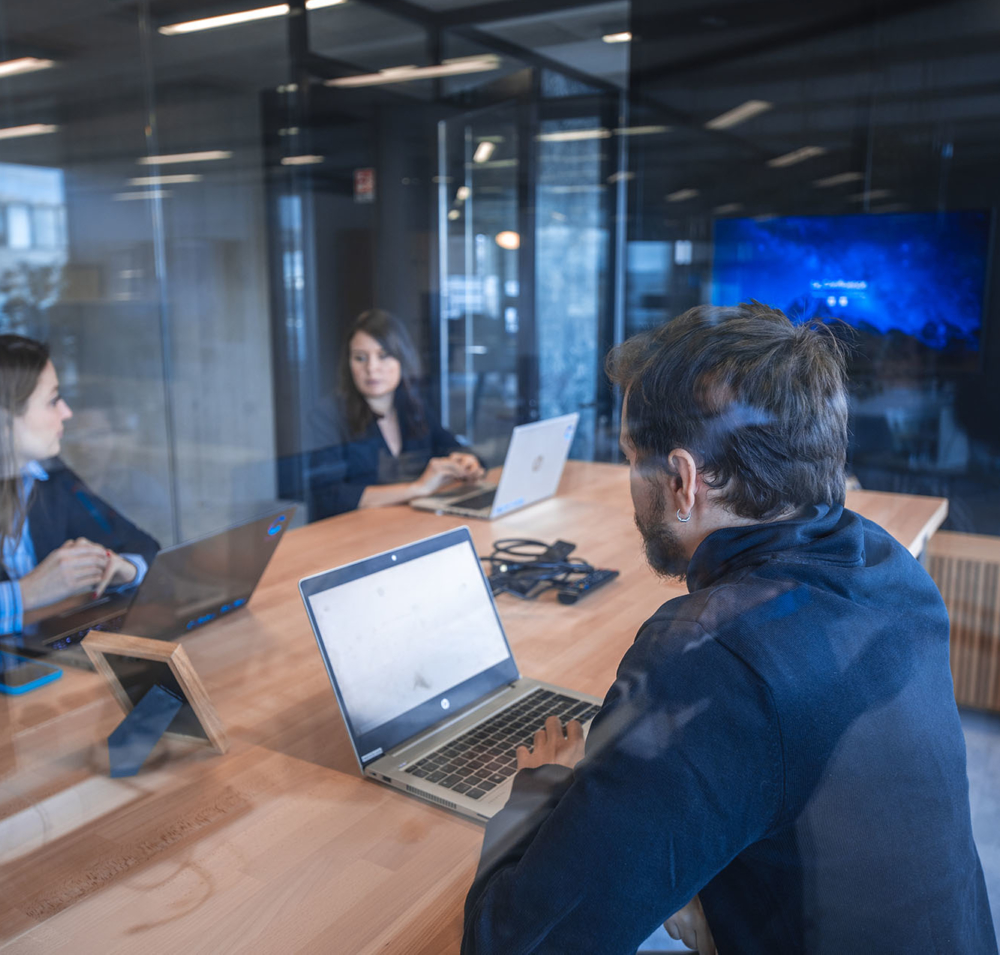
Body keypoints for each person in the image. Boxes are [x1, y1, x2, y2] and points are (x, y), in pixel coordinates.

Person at [461, 303, 996, 954]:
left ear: (683, 481)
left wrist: (544, 787)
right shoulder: (887, 568)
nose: (630, 482)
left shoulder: (707, 657)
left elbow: (513, 945)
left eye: (633, 458)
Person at [0, 335, 159, 637]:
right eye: (52, 401)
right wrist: (27, 593)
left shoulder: (48, 478)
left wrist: (122, 568)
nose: (66, 413)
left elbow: (142, 546)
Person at [307, 310, 483, 519]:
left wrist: (468, 463)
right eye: (360, 358)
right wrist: (417, 488)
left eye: (383, 356)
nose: (372, 368)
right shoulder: (328, 414)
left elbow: (452, 446)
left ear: (402, 359)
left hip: (410, 522)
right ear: (348, 364)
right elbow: (329, 496)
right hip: (353, 531)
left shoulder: (414, 407)